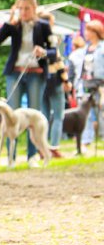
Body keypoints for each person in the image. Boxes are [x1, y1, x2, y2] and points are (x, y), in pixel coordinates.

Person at [0, 0, 52, 165]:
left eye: (27, 8)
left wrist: (44, 52)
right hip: (15, 72)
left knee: (33, 113)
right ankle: (11, 158)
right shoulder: (14, 25)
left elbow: (54, 51)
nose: (24, 12)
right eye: (20, 8)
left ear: (34, 8)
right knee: (11, 114)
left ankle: (32, 156)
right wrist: (9, 22)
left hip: (35, 73)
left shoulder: (43, 26)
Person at [38, 11, 69, 159]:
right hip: (54, 81)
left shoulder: (36, 40)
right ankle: (54, 147)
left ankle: (42, 147)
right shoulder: (51, 40)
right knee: (58, 116)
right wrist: (66, 80)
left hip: (41, 81)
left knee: (44, 116)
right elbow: (58, 61)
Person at [74, 19, 104, 153]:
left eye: (89, 30)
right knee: (85, 113)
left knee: (102, 112)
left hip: (100, 84)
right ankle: (85, 141)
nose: (86, 33)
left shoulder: (102, 48)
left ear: (96, 32)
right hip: (86, 84)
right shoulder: (84, 50)